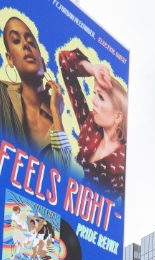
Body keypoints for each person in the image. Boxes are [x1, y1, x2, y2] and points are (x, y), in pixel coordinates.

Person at [0, 16, 71, 168]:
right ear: (10, 58)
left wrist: (57, 116)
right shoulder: (2, 94)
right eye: (16, 41)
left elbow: (62, 177)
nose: (26, 45)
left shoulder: (56, 122)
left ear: (44, 65)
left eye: (31, 42)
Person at [58, 47, 127, 198]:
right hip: (62, 203)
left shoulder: (125, 165)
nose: (93, 100)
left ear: (118, 117)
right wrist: (92, 69)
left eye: (101, 97)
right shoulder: (89, 126)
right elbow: (64, 59)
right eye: (95, 93)